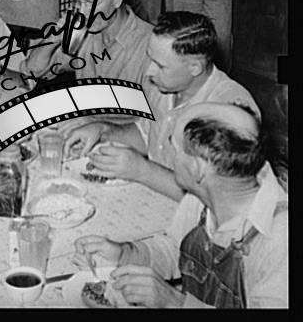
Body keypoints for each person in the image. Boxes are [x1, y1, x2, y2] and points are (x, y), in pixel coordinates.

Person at [73, 102, 288, 308]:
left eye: (174, 148)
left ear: (197, 168)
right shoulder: (202, 196)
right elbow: (174, 249)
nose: (170, 156)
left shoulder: (281, 242)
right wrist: (124, 254)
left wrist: (174, 303)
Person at [65, 11, 258, 201]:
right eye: (150, 59)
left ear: (195, 67)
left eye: (161, 66)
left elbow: (219, 200)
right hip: (153, 199)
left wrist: (142, 170)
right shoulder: (163, 86)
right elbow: (147, 134)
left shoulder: (231, 109)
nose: (149, 72)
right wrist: (103, 131)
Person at [23, 0, 153, 85]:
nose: (83, 12)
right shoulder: (84, 34)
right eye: (79, 2)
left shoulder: (149, 44)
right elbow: (33, 70)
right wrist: (54, 37)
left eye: (90, 2)